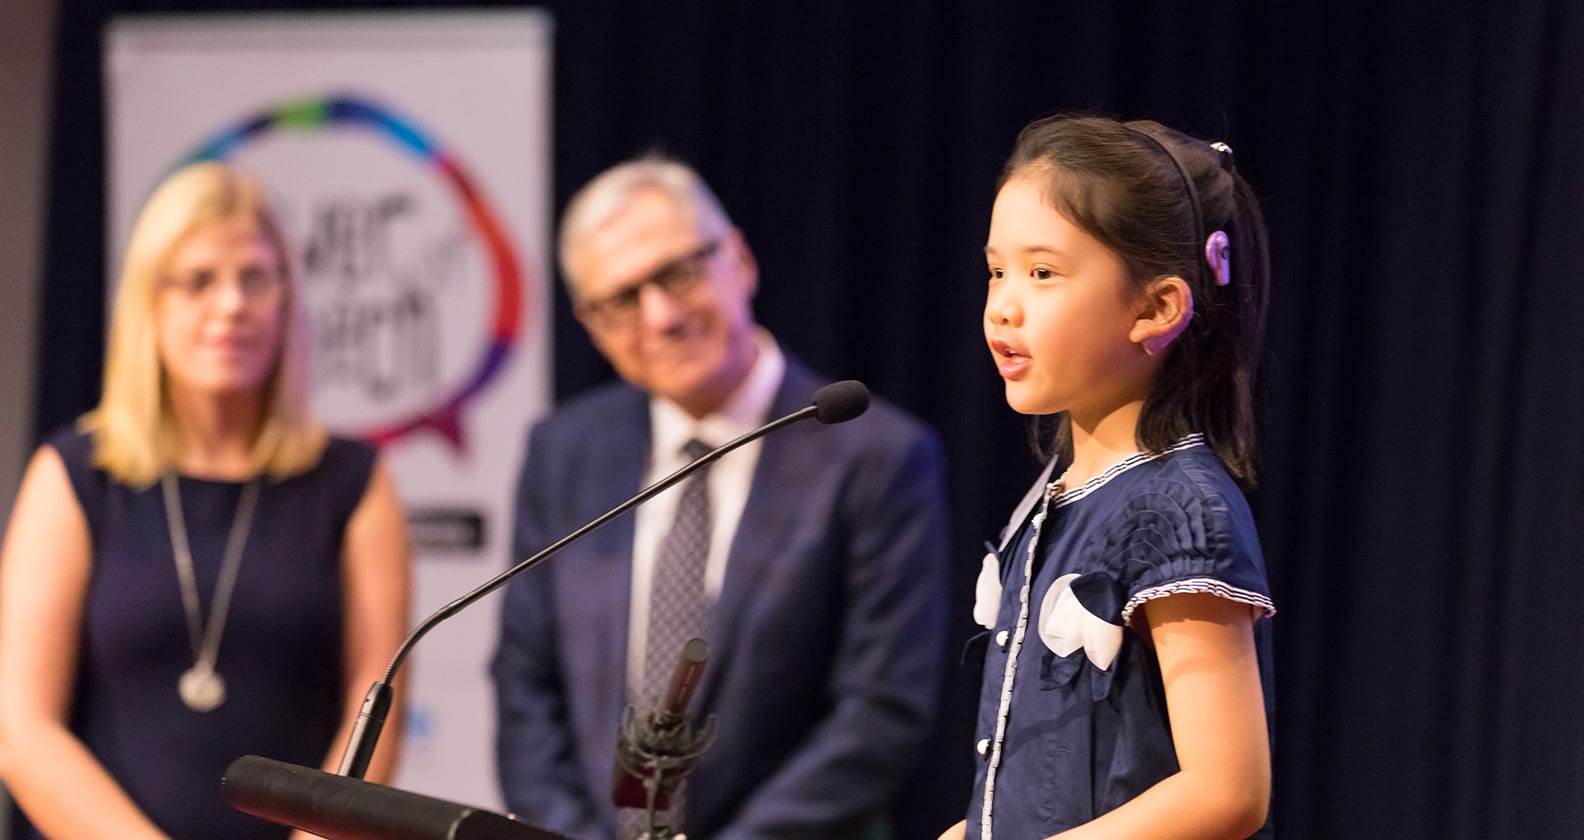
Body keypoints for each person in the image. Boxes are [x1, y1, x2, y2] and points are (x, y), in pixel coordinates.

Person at [491, 156, 951, 839]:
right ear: (591, 325)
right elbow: (525, 688)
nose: (662, 316)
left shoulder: (876, 455)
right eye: (621, 300)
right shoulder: (563, 454)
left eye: (678, 272)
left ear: (739, 259)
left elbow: (880, 712)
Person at [0, 161, 412, 840]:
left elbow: (377, 714)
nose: (231, 305)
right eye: (198, 281)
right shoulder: (74, 475)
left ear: (285, 298)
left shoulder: (354, 482)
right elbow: (22, 729)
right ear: (148, 303)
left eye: (255, 278)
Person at [938, 115, 1276, 840]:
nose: (1003, 304)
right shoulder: (1053, 497)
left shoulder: (1178, 509)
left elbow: (1228, 789)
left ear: (1157, 307)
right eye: (997, 270)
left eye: (1043, 273)